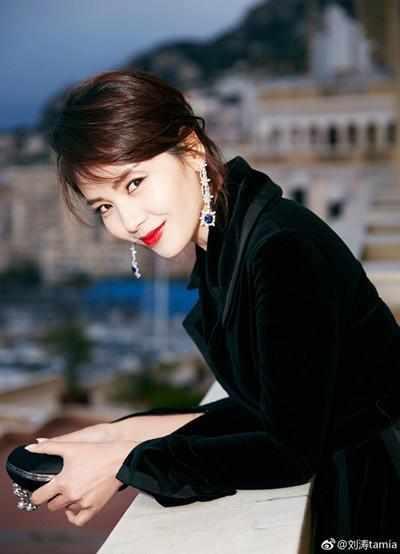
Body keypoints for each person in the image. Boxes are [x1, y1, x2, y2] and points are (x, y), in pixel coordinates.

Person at [25, 70, 400, 549]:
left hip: (377, 496)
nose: (128, 221)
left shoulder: (280, 251)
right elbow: (273, 407)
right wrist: (117, 435)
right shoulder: (231, 240)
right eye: (104, 206)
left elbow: (288, 451)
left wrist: (125, 465)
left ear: (191, 149)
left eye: (134, 183)